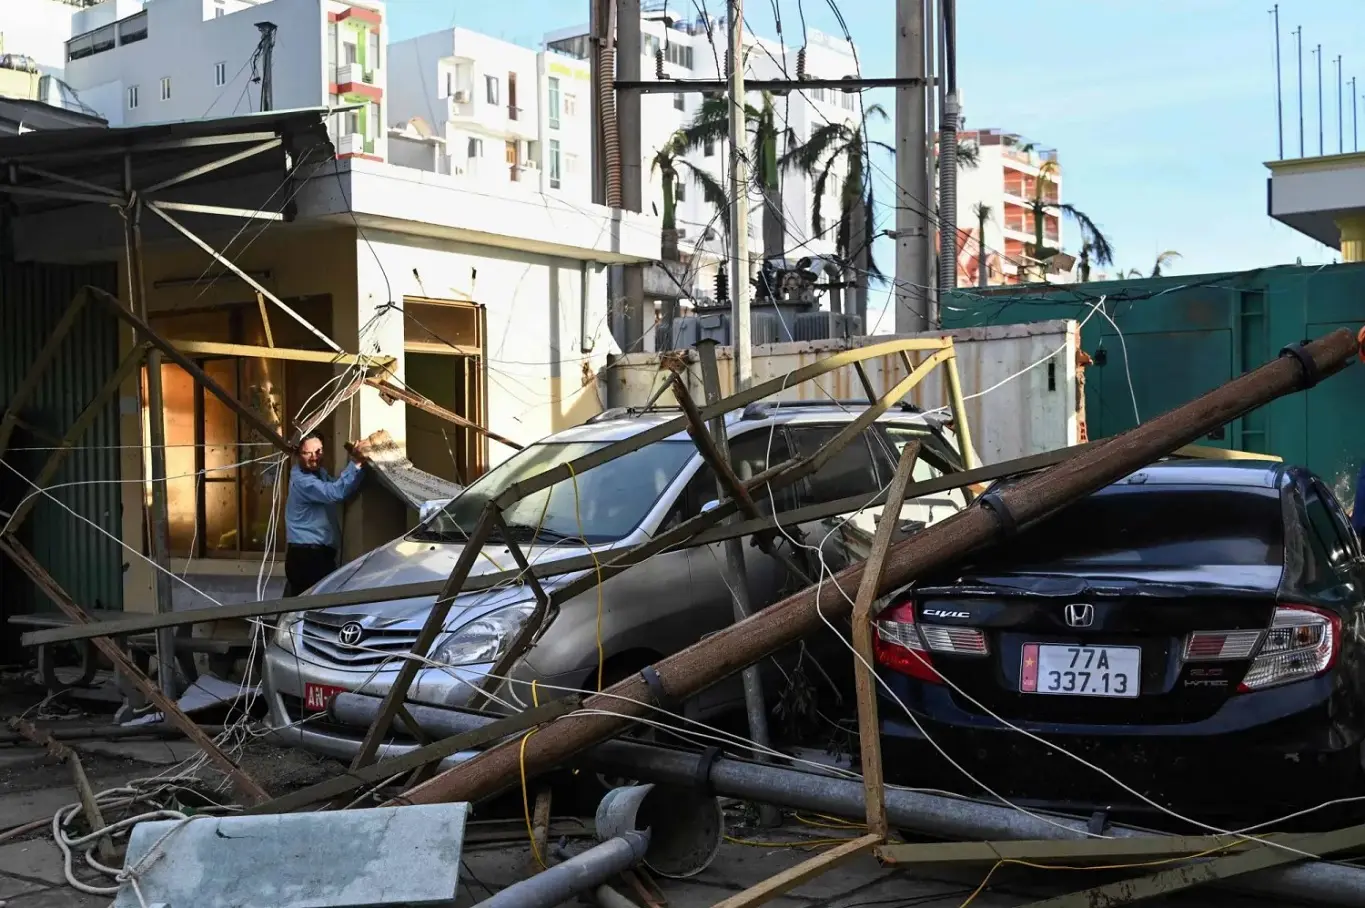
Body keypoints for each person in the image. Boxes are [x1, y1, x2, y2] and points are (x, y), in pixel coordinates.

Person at [284, 433, 365, 596]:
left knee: (304, 610)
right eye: (308, 453)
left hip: (316, 555)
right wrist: (356, 462)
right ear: (298, 455)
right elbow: (335, 492)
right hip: (307, 558)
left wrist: (360, 465)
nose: (315, 457)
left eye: (319, 451)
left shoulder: (318, 473)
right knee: (310, 611)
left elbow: (338, 487)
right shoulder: (303, 481)